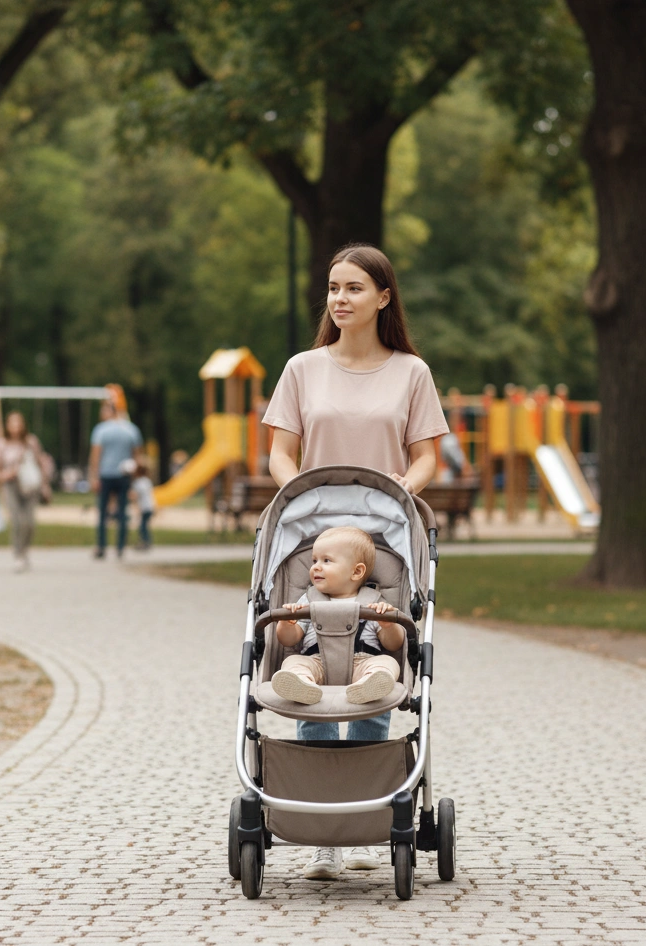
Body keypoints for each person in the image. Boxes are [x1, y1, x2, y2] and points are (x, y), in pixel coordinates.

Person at [263, 242, 449, 880]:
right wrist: (300, 490)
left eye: (354, 289)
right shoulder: (302, 368)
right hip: (313, 527)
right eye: (333, 288)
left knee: (370, 662)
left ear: (384, 298)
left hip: (383, 532)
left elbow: (427, 457)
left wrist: (403, 488)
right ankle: (322, 833)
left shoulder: (411, 373)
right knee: (314, 660)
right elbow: (279, 455)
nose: (339, 299)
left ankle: (366, 810)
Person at [273, 527, 403, 705]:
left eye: (326, 560)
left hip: (362, 663)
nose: (315, 567)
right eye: (314, 560)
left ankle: (370, 685)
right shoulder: (308, 599)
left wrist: (389, 626)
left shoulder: (374, 602)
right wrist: (287, 624)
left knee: (387, 662)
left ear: (356, 572)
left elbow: (393, 644)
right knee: (293, 662)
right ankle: (302, 684)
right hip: (317, 663)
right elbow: (289, 640)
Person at [0, 411, 49, 572]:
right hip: (10, 485)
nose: (15, 426)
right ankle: (18, 554)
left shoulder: (31, 442)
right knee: (17, 521)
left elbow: (40, 463)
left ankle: (25, 551)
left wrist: (44, 484)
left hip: (30, 485)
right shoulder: (1, 444)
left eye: (18, 423)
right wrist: (8, 474)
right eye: (12, 423)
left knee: (29, 522)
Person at [88, 400, 143, 559]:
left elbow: (96, 455)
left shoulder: (101, 430)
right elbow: (137, 455)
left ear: (109, 411)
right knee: (122, 511)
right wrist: (134, 478)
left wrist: (93, 476)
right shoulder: (131, 429)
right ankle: (120, 546)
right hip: (124, 475)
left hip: (106, 474)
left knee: (103, 512)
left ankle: (101, 546)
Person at [130, 462, 155, 551]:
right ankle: (145, 541)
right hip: (150, 506)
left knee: (142, 526)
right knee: (144, 525)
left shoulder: (138, 482)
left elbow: (136, 494)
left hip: (144, 507)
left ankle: (145, 542)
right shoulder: (147, 481)